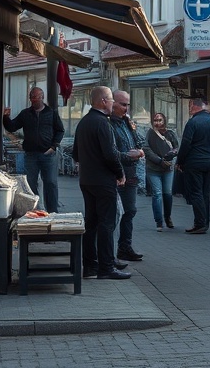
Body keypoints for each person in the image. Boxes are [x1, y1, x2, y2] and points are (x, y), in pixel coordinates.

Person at [71, 86, 130, 280]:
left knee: (92, 223)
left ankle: (89, 266)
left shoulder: (84, 122)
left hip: (87, 180)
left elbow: (75, 154)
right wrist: (120, 173)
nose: (113, 103)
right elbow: (110, 154)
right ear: (103, 101)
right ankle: (106, 267)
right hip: (103, 181)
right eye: (112, 99)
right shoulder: (102, 123)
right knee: (107, 223)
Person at [2, 86, 65, 212]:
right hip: (31, 154)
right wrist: (6, 117)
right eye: (32, 97)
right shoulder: (25, 114)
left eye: (37, 97)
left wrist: (53, 146)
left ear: (42, 97)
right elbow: (13, 127)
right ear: (29, 98)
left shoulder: (51, 113)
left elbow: (60, 130)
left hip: (48, 154)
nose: (34, 99)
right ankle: (35, 211)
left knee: (50, 183)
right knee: (30, 184)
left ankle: (53, 212)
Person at [175, 97, 210, 235]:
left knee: (196, 193)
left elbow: (185, 144)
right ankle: (205, 222)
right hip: (209, 163)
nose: (189, 109)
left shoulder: (192, 122)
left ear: (195, 106)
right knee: (205, 193)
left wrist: (180, 162)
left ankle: (200, 223)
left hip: (193, 163)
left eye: (190, 106)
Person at [109, 89, 144, 261]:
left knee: (130, 211)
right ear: (111, 102)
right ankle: (107, 254)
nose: (126, 108)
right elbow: (111, 152)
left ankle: (125, 247)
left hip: (131, 174)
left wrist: (139, 151)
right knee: (112, 215)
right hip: (116, 175)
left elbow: (138, 142)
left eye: (128, 104)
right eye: (123, 104)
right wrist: (128, 155)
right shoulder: (108, 124)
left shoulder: (126, 122)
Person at [143, 112, 179, 230]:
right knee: (157, 194)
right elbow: (147, 149)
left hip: (168, 169)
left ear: (164, 121)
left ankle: (167, 217)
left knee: (167, 194)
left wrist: (170, 156)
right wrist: (159, 161)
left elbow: (176, 148)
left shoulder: (170, 134)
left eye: (160, 120)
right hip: (153, 169)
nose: (157, 123)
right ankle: (159, 222)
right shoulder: (150, 133)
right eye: (155, 120)